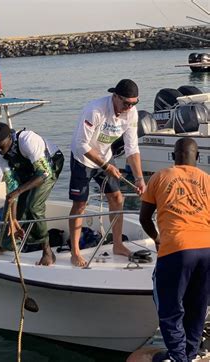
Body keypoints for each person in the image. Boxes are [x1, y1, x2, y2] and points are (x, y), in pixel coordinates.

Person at [139, 138, 210, 362]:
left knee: (170, 309)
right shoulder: (208, 180)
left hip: (176, 248)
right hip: (207, 249)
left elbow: (144, 218)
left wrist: (157, 238)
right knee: (197, 306)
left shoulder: (160, 177)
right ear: (197, 157)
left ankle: (179, 357)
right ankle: (189, 353)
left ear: (173, 156)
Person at [68, 79, 146, 267]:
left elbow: (132, 148)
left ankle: (118, 245)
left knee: (117, 199)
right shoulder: (94, 110)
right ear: (115, 96)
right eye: (126, 103)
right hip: (83, 158)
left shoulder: (131, 114)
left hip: (105, 155)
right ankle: (75, 251)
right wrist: (105, 166)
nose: (129, 107)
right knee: (80, 204)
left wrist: (139, 178)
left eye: (133, 104)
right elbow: (81, 145)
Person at [0, 122, 64, 266]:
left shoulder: (28, 140)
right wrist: (14, 217)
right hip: (28, 171)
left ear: (10, 138)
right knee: (8, 205)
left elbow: (44, 173)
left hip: (50, 166)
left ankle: (47, 252)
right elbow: (12, 184)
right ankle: (4, 244)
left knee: (34, 206)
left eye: (2, 146)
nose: (0, 150)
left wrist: (17, 192)